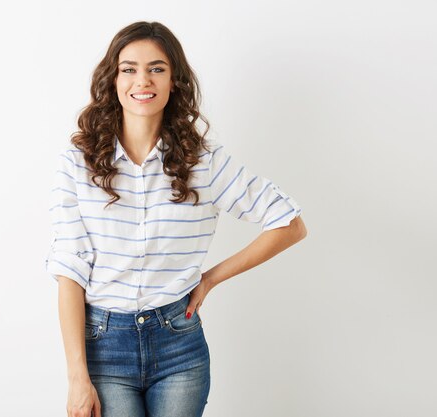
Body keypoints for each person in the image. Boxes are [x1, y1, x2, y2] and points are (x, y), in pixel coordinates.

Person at [45, 21, 308, 417]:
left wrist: (211, 278)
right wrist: (77, 378)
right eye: (129, 68)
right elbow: (69, 272)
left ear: (174, 81)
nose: (142, 80)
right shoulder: (77, 164)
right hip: (103, 345)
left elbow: (290, 224)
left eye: (157, 68)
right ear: (113, 80)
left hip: (178, 347)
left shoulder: (203, 161)